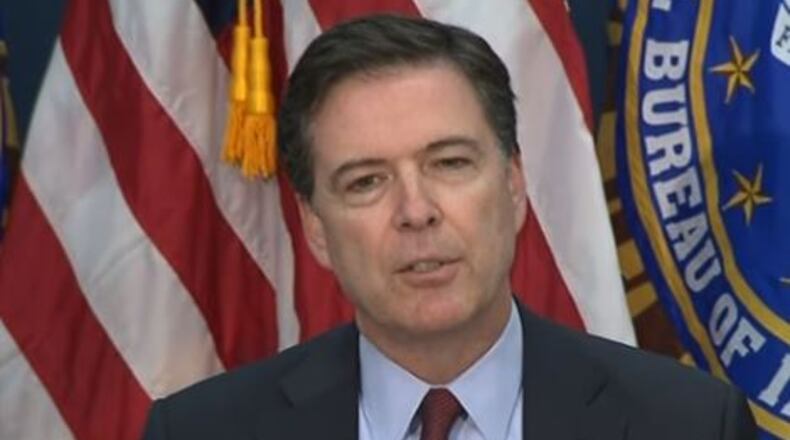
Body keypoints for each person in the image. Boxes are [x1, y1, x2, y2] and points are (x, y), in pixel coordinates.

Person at [143, 14, 757, 440]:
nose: (416, 210)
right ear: (315, 228)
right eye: (366, 181)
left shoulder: (689, 426)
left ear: (514, 185)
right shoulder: (201, 433)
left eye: (450, 163)